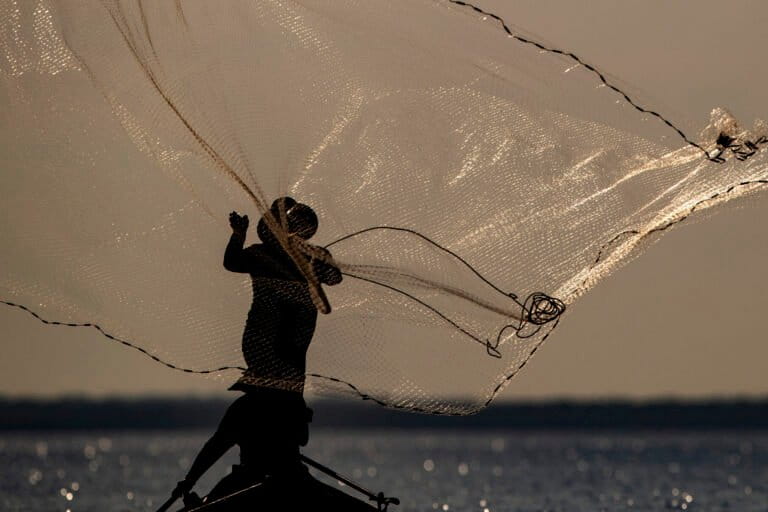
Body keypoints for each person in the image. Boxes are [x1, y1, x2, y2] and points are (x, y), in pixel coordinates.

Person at [171, 197, 342, 505]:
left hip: (290, 340)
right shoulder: (262, 255)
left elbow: (334, 277)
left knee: (289, 369)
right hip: (264, 332)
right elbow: (232, 262)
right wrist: (238, 233)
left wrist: (190, 480)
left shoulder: (311, 255)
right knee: (287, 372)